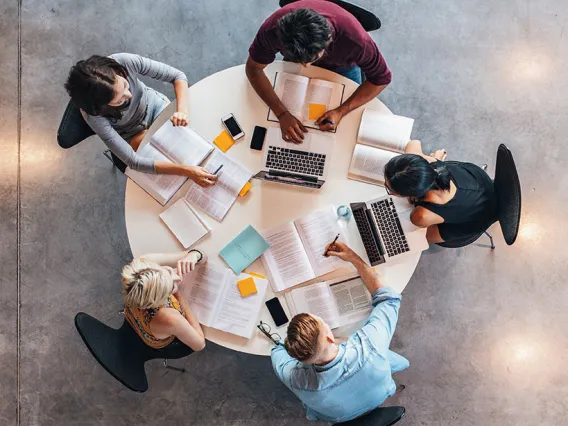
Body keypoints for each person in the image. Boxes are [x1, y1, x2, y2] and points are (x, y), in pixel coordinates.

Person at [271, 241, 408, 423]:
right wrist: (353, 258)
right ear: (329, 336)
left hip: (339, 417)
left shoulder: (295, 379)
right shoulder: (370, 345)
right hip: (380, 392)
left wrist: (286, 343)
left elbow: (277, 352)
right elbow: (389, 299)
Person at [246, 1, 391, 142]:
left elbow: (381, 79)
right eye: (302, 61)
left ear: (329, 38)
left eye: (311, 59)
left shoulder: (356, 42)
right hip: (296, 61)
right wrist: (282, 113)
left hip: (343, 66)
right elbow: (253, 69)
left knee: (347, 128)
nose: (306, 67)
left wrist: (341, 111)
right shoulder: (272, 29)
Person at [64, 53, 216, 186]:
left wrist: (182, 111)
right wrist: (186, 171)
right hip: (130, 134)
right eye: (119, 100)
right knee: (172, 161)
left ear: (117, 71)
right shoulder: (93, 116)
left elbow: (178, 76)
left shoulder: (124, 61)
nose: (129, 95)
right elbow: (133, 161)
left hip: (155, 107)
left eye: (125, 84)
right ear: (102, 106)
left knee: (194, 138)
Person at [384, 140, 498, 243]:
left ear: (409, 195)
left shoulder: (421, 215)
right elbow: (413, 143)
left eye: (389, 189)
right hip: (480, 182)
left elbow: (420, 225)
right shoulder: (432, 164)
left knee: (418, 238)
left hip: (477, 220)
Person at [121, 248, 207, 351]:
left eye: (169, 271)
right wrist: (180, 296)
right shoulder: (169, 317)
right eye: (171, 287)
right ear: (160, 300)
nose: (179, 278)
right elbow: (199, 345)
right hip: (158, 341)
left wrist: (194, 256)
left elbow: (201, 255)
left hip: (134, 314)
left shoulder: (143, 263)